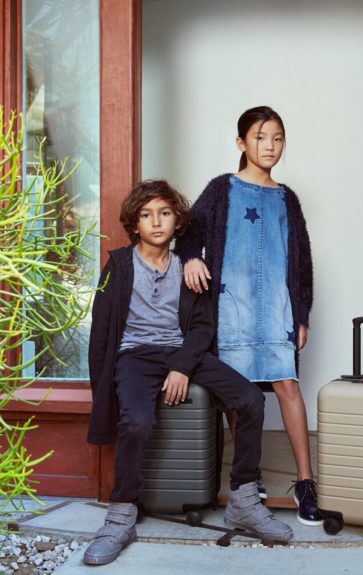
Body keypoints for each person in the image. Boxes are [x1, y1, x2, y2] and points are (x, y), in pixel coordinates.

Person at [84, 180, 292, 566]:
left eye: (164, 213)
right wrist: (104, 393)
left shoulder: (188, 266)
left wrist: (181, 366)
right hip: (135, 356)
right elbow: (101, 332)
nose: (156, 222)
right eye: (146, 216)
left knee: (249, 399)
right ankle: (122, 513)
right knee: (137, 422)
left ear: (178, 220)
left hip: (182, 352)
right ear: (134, 224)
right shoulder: (119, 265)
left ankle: (244, 499)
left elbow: (202, 327)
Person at [174, 106, 320, 526]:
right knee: (239, 398)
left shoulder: (286, 198)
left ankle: (305, 482)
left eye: (277, 138)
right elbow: (188, 232)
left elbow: (303, 260)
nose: (270, 146)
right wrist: (189, 261)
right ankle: (247, 479)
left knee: (287, 386)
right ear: (241, 144)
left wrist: (303, 313)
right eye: (260, 138)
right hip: (231, 308)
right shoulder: (222, 190)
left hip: (276, 307)